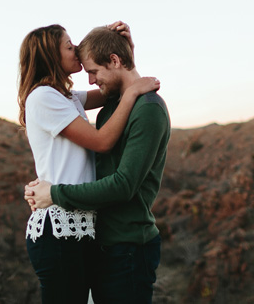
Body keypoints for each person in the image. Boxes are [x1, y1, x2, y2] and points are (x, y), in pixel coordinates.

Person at [25, 25, 171, 304]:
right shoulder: (48, 97)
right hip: (81, 233)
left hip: (121, 241)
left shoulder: (142, 107)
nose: (88, 76)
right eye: (70, 47)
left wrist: (126, 52)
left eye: (93, 71)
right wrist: (47, 191)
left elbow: (122, 184)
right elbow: (118, 89)